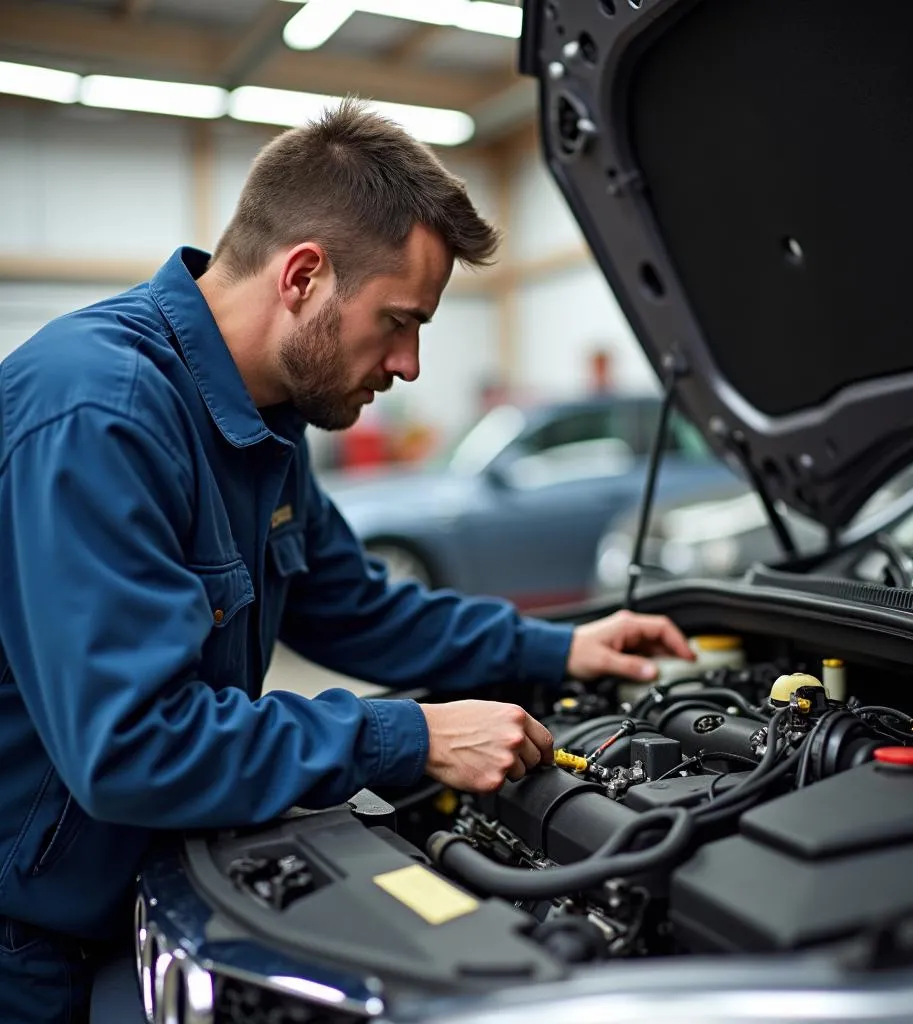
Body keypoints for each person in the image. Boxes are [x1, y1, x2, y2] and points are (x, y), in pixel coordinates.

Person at [0, 99, 693, 1022]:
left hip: (136, 888)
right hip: (25, 945)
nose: (408, 364)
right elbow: (134, 745)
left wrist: (561, 652)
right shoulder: (102, 413)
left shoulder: (265, 423)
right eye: (400, 321)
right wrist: (413, 735)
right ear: (303, 276)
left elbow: (359, 607)